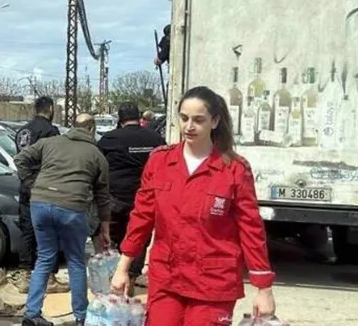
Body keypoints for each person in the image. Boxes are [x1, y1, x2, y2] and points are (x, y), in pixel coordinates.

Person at [111, 86, 277, 325]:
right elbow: (142, 218)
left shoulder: (234, 169)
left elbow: (251, 231)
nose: (189, 126)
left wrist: (264, 289)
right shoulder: (160, 162)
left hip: (213, 283)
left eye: (199, 120)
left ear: (215, 121)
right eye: (184, 118)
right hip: (167, 278)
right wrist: (123, 267)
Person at [16, 113, 112, 326]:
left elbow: (20, 158)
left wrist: (33, 184)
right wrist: (104, 228)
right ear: (92, 129)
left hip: (39, 204)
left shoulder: (49, 142)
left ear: (72, 126)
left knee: (44, 258)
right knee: (76, 261)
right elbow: (103, 196)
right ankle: (81, 316)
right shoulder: (96, 155)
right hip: (72, 207)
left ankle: (32, 314)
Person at [96, 102, 165, 294]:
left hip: (115, 198)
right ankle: (132, 276)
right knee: (140, 237)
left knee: (115, 238)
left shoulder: (109, 139)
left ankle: (118, 275)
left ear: (120, 118)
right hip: (145, 198)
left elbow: (97, 164)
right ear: (139, 116)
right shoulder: (156, 139)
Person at [13, 96, 65, 293]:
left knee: (27, 231)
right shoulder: (51, 132)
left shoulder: (23, 131)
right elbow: (57, 160)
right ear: (51, 109)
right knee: (49, 231)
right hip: (46, 186)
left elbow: (19, 159)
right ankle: (49, 278)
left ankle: (25, 276)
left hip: (26, 186)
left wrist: (27, 181)